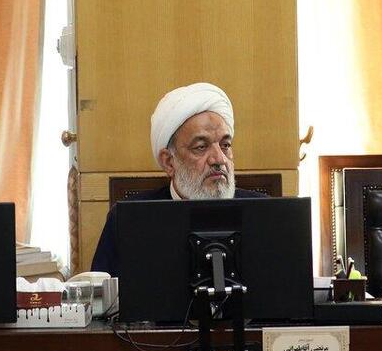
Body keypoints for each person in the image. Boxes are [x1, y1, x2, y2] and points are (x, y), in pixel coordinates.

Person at [90, 83, 264, 276]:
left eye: (226, 145)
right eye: (201, 147)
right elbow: (103, 292)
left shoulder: (264, 214)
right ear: (169, 162)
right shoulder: (129, 222)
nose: (219, 159)